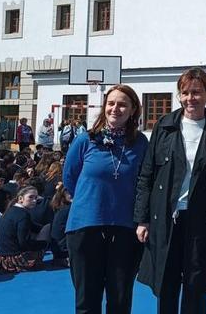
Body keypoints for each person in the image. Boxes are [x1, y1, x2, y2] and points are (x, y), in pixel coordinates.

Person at [134, 67, 206, 314]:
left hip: (200, 219)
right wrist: (142, 219)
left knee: (195, 285)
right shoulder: (164, 126)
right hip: (166, 217)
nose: (191, 98)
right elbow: (147, 174)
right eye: (185, 93)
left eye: (197, 92)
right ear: (179, 95)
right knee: (166, 285)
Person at [63, 84, 149, 314]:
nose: (115, 109)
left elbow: (146, 182)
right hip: (85, 226)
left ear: (133, 110)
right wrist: (91, 201)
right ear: (104, 107)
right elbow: (69, 177)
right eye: (111, 103)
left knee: (120, 300)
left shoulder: (141, 143)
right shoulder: (85, 140)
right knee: (87, 300)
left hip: (125, 228)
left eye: (122, 104)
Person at [0, 186, 47, 272]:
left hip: (4, 257)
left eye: (36, 198)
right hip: (16, 259)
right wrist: (43, 244)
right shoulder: (23, 215)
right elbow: (23, 242)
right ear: (21, 198)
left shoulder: (10, 211)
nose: (34, 201)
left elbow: (33, 227)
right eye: (30, 197)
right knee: (47, 231)